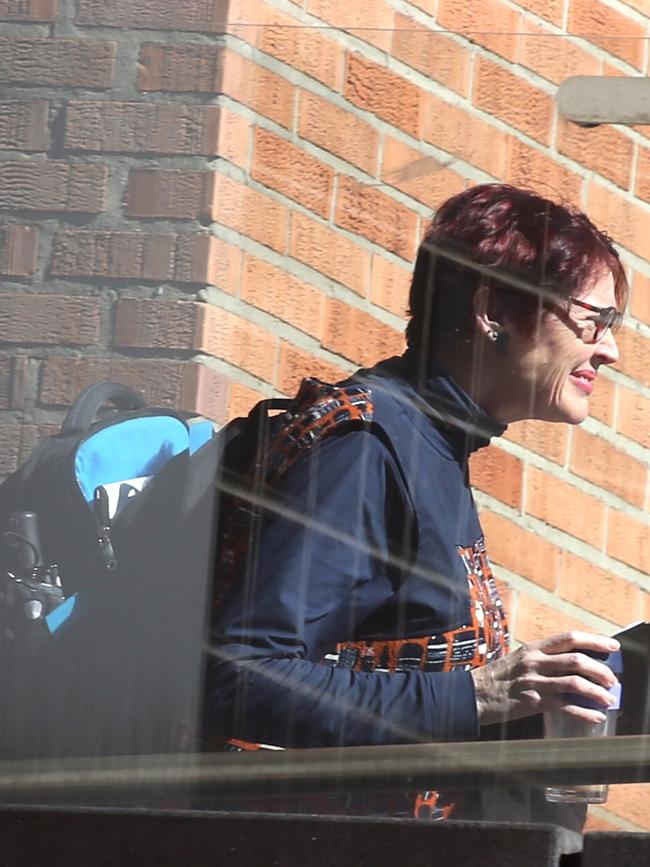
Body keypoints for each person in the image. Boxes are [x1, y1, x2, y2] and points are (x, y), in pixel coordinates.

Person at [204, 184, 626, 771]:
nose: (610, 351)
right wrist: (481, 694)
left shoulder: (432, 444)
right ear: (494, 312)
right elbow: (241, 677)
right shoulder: (366, 444)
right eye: (595, 319)